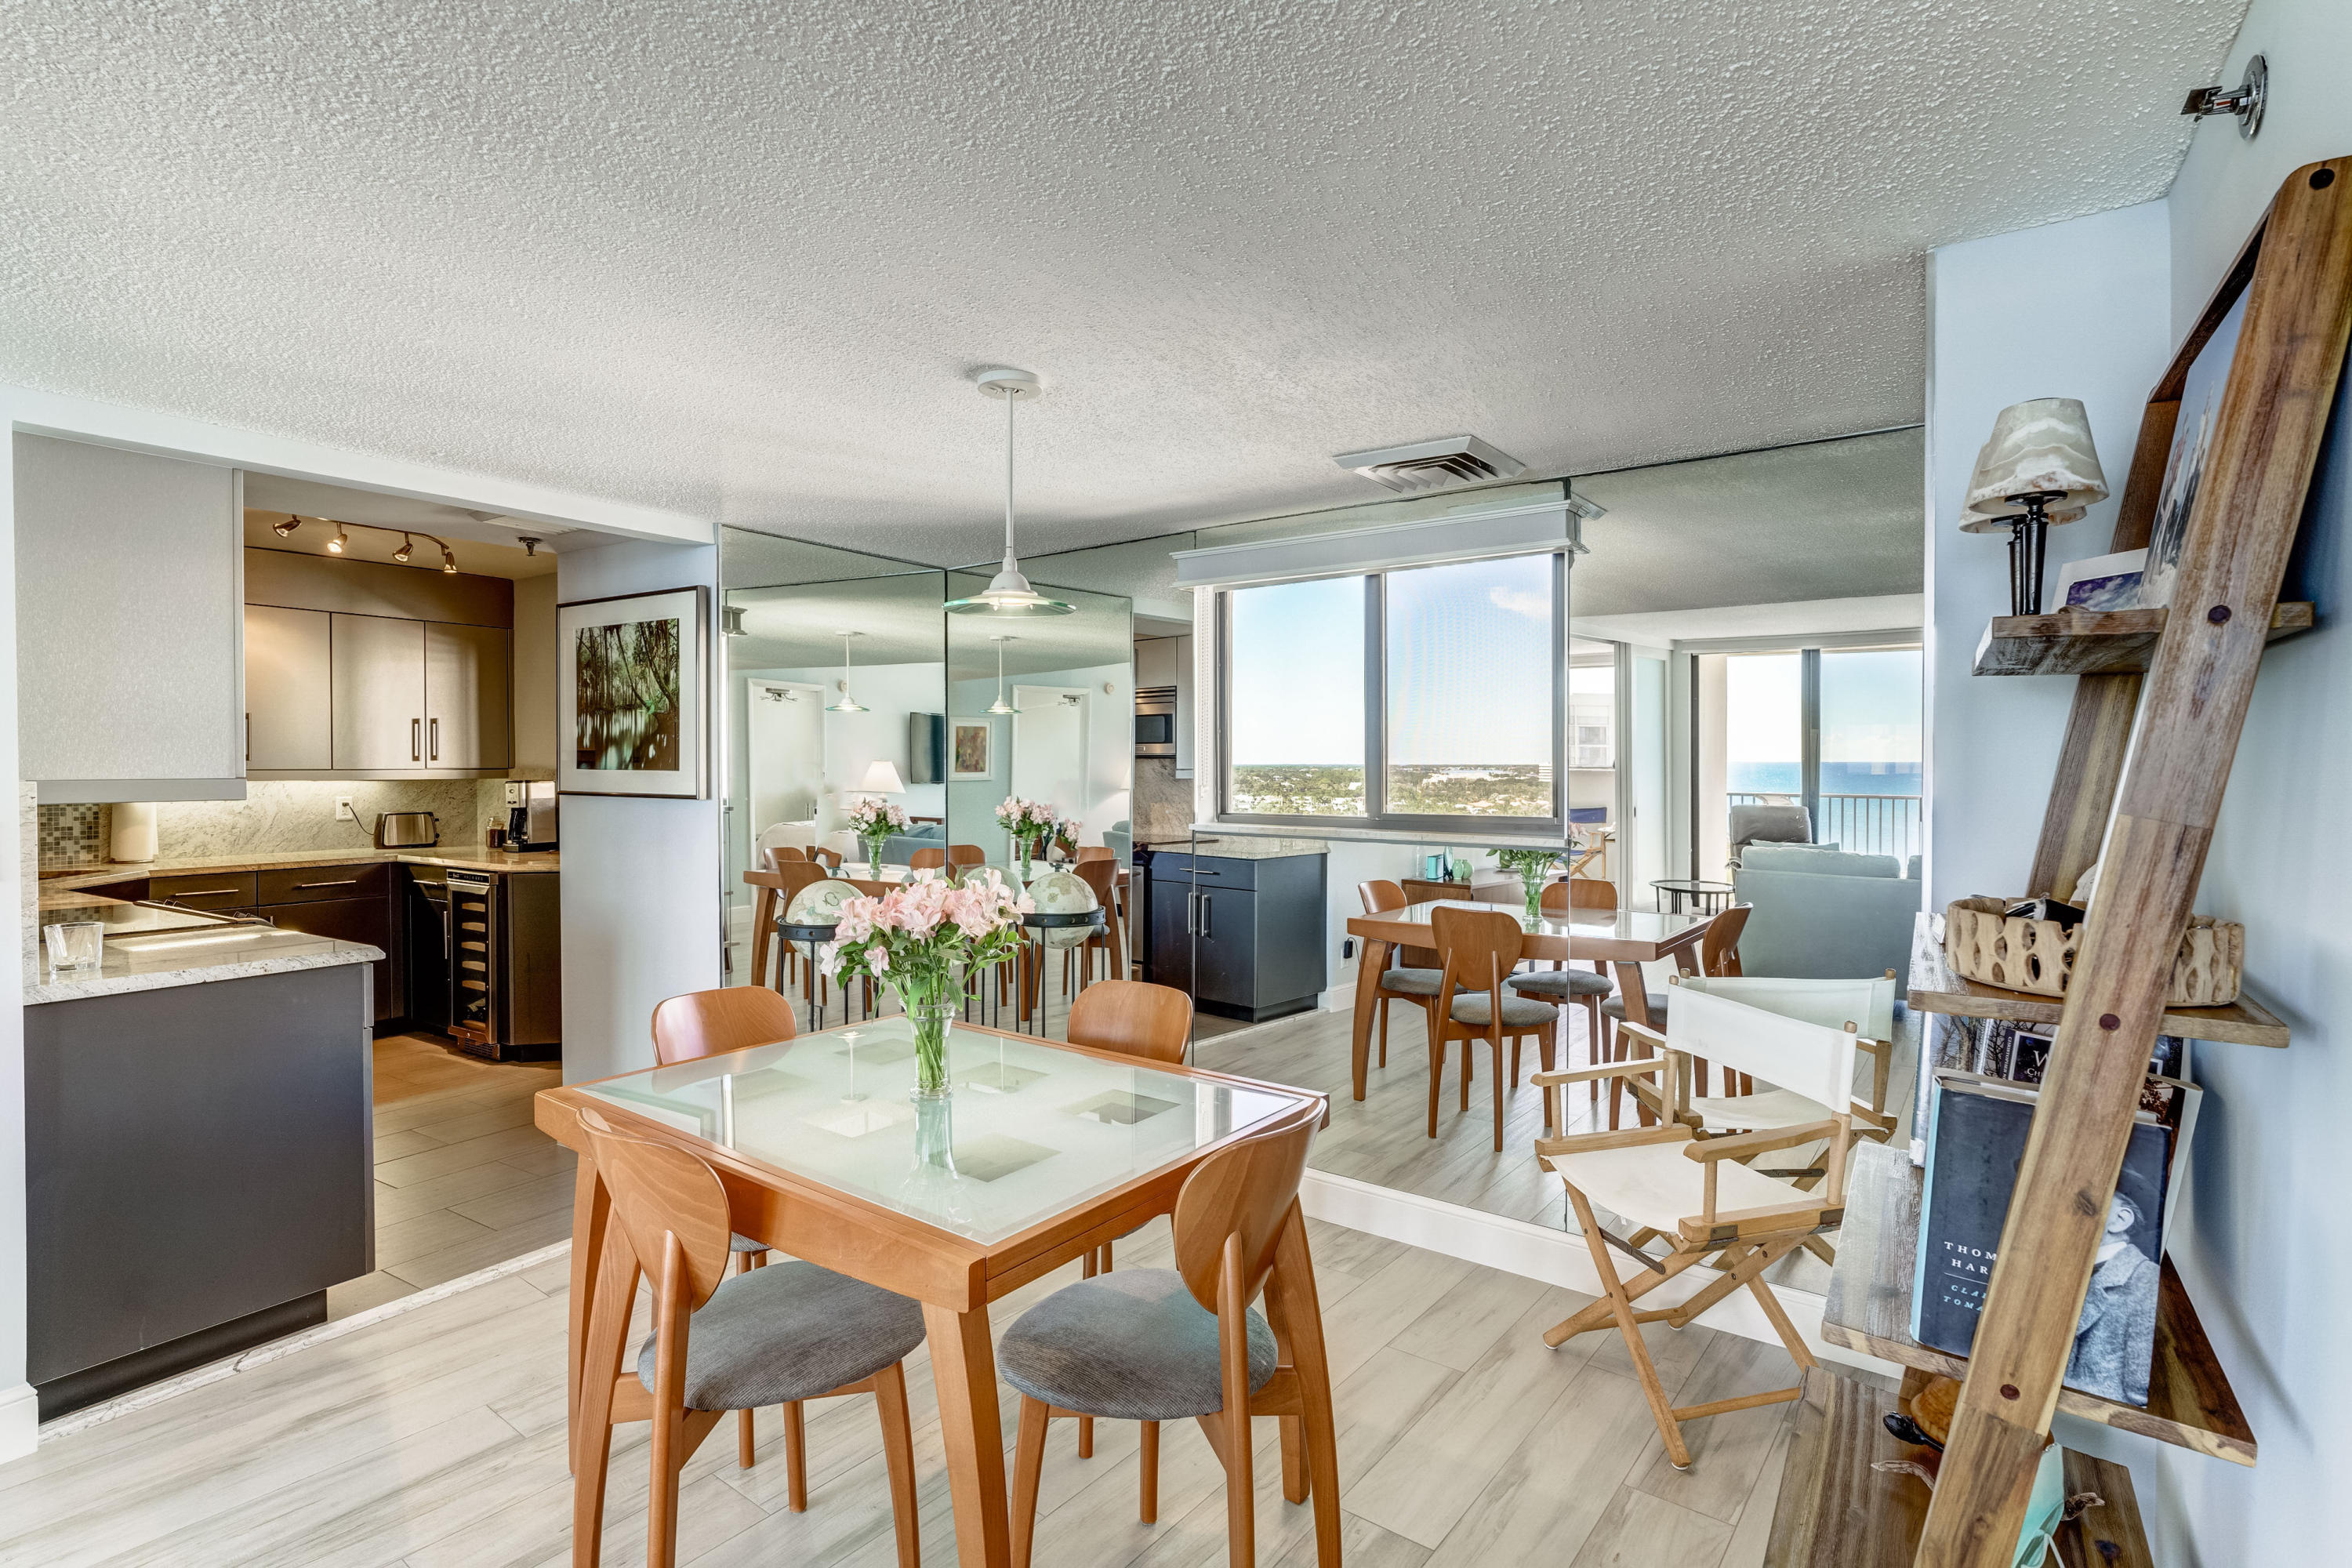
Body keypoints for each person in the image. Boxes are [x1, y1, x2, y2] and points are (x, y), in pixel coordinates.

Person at [2067, 1182, 2160, 1406]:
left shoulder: (2148, 1279)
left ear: (2120, 1221)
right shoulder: (2061, 1268)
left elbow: (2139, 1394)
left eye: (2082, 1200)